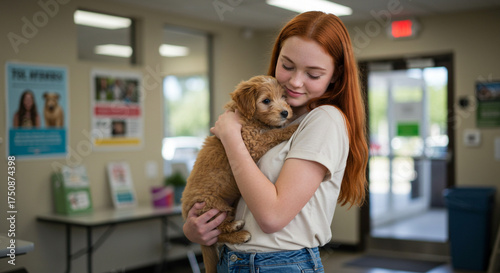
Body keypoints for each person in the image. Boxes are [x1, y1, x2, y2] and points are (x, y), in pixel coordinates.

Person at [183, 11, 368, 272]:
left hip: (279, 263)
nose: (295, 81)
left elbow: (272, 217)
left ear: (335, 75)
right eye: (288, 65)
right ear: (277, 56)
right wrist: (196, 229)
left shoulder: (325, 120)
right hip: (233, 257)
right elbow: (238, 190)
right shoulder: (280, 117)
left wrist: (232, 137)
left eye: (313, 74)